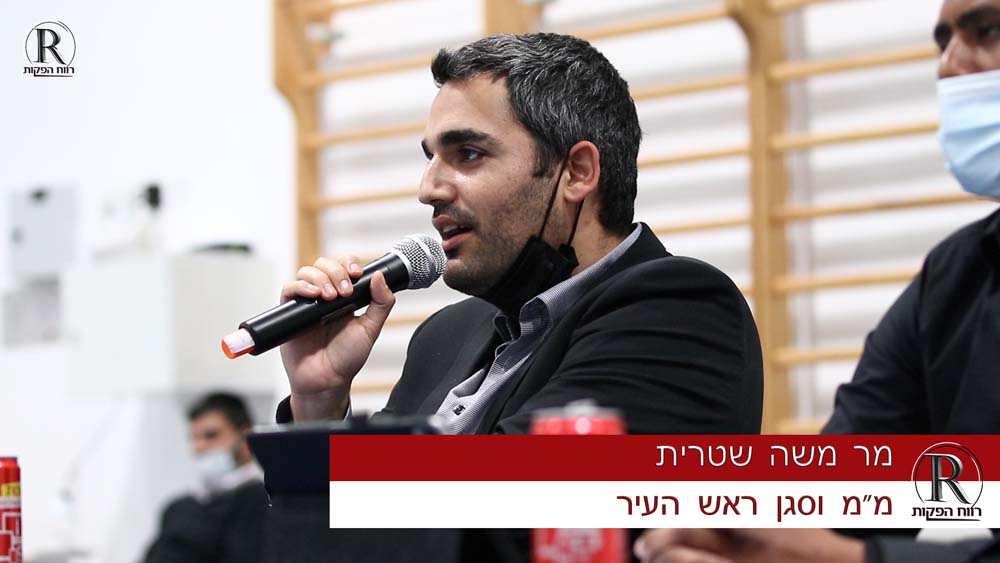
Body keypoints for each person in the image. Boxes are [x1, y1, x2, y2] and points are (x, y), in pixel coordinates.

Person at [634, 0, 1000, 561]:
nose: (948, 65)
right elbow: (848, 487)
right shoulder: (957, 280)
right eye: (943, 41)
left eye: (988, 31)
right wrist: (730, 531)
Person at [275, 32, 763, 436]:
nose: (428, 189)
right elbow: (332, 519)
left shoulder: (678, 309)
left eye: (468, 154)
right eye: (431, 159)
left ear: (576, 172)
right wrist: (320, 403)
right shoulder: (445, 335)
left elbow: (512, 501)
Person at [142, 392, 268, 563]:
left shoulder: (262, 500)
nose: (199, 447)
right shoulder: (179, 507)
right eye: (194, 438)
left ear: (246, 437)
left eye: (211, 436)